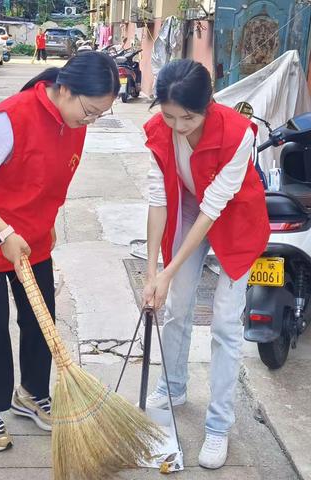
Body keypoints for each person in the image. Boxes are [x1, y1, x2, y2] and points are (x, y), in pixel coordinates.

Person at [0, 51, 119, 452]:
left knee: (41, 322)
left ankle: (31, 393)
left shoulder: (74, 122)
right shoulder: (12, 119)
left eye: (99, 115)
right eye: (89, 110)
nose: (89, 120)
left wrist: (47, 225)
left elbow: (46, 179)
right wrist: (2, 232)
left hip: (32, 239)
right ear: (65, 89)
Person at [142, 59, 270, 469]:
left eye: (188, 118)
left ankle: (218, 426)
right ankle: (174, 385)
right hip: (186, 207)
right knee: (175, 305)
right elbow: (158, 197)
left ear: (209, 105)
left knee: (225, 324)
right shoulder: (159, 130)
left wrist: (169, 269)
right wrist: (152, 272)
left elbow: (214, 207)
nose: (178, 126)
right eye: (168, 115)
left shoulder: (236, 134)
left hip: (233, 216)